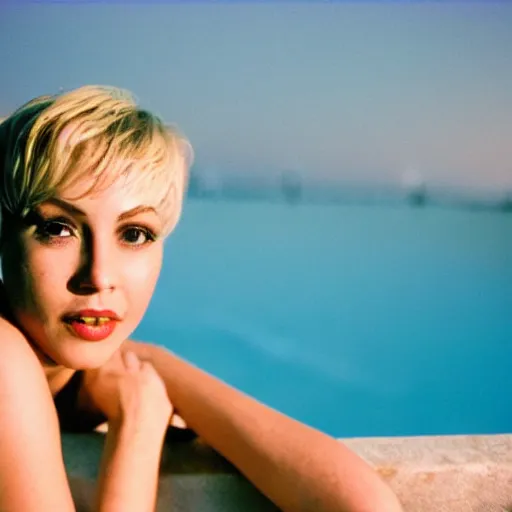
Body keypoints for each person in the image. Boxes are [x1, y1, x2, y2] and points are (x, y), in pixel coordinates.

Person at [0, 85, 403, 512]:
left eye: (135, 234)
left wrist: (155, 365)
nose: (98, 276)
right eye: (58, 228)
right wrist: (138, 430)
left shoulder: (94, 367)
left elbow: (362, 504)